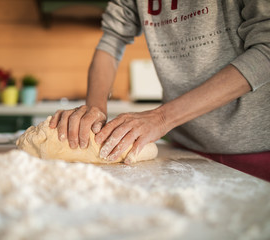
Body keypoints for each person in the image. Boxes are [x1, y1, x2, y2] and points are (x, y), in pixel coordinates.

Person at [49, 0, 270, 181]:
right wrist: (94, 110)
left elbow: (266, 49)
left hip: (255, 149)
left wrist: (163, 118)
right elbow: (112, 40)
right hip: (185, 148)